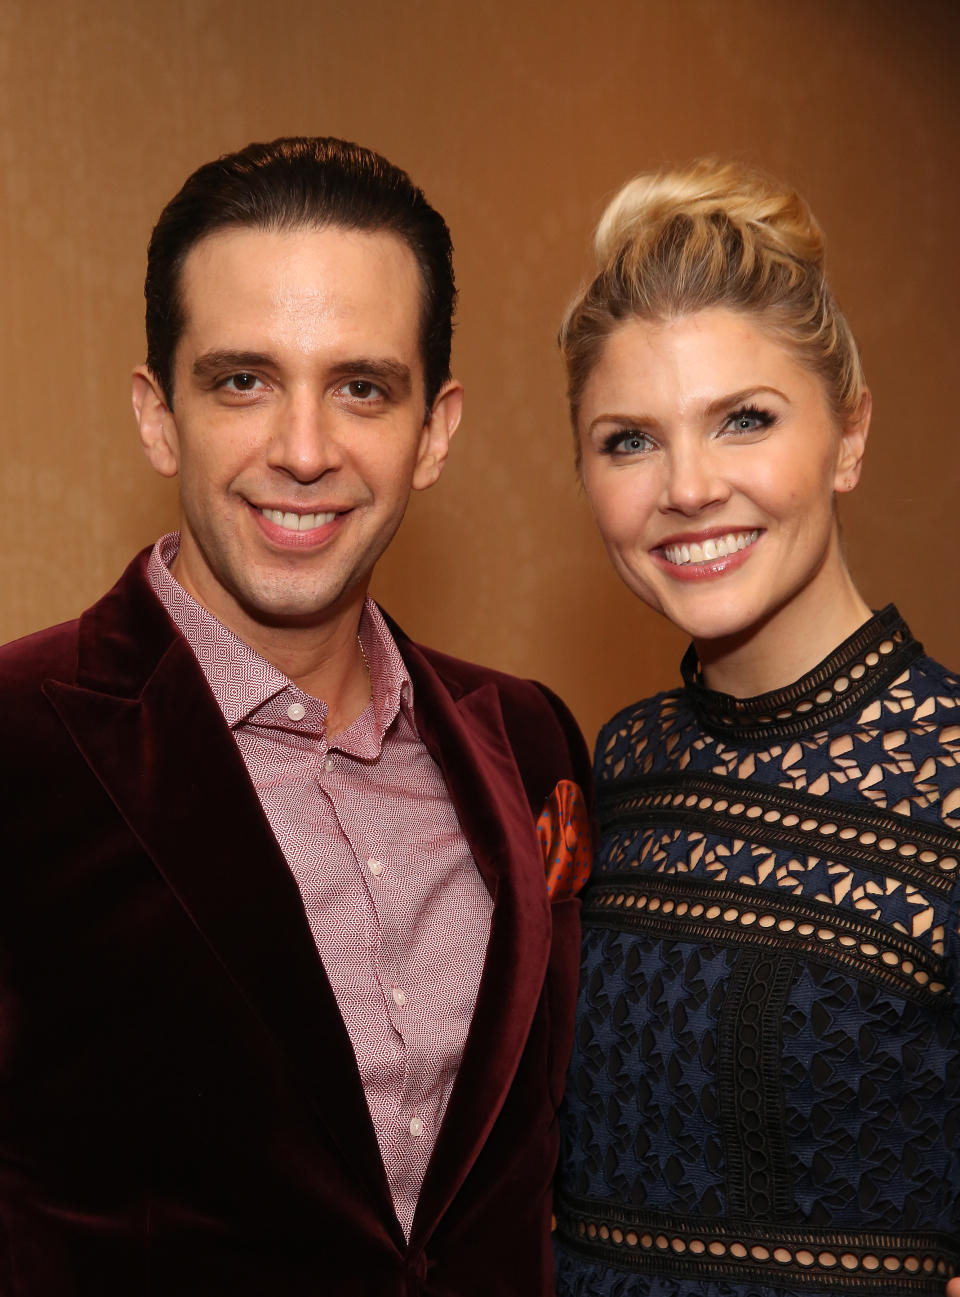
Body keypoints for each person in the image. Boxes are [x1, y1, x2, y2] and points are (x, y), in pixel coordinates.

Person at [0, 137, 591, 1297]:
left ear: (436, 430)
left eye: (361, 387)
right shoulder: (18, 741)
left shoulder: (528, 739)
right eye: (242, 381)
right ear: (157, 412)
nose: (305, 450)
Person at [551, 158, 960, 1296]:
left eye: (744, 420)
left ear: (851, 434)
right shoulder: (615, 764)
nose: (686, 486)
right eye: (627, 439)